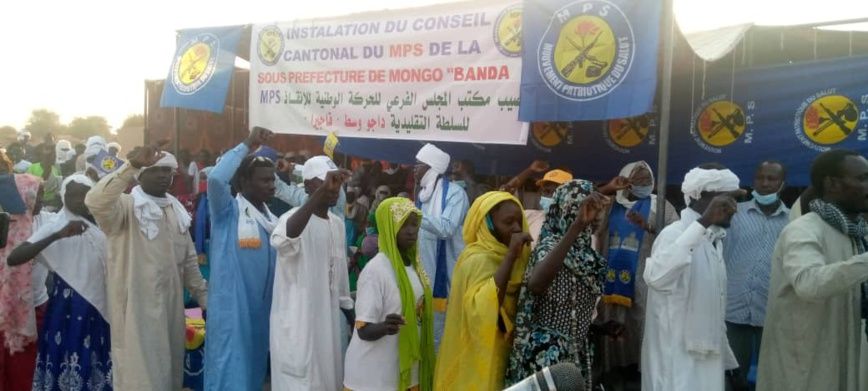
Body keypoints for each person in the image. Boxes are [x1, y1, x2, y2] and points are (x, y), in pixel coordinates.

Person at [85, 144, 208, 390]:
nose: (164, 175)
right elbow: (95, 201)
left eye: (167, 171)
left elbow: (189, 263)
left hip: (171, 309)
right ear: (141, 174)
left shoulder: (176, 210)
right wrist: (130, 166)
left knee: (169, 373)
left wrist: (206, 301)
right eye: (156, 170)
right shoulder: (126, 207)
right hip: (136, 312)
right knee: (141, 377)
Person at [757, 150, 868, 391]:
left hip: (844, 356)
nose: (867, 185)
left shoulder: (857, 234)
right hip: (805, 365)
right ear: (832, 183)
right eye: (862, 178)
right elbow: (809, 283)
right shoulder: (804, 230)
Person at [641, 164, 743, 391]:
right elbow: (657, 278)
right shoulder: (674, 234)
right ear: (702, 198)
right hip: (675, 366)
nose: (734, 209)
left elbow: (715, 311)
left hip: (708, 364)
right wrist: (703, 222)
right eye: (727, 202)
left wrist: (730, 365)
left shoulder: (713, 240)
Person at [7, 175, 112, 390]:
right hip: (68, 306)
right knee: (68, 353)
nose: (80, 200)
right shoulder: (56, 224)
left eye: (86, 195)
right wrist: (57, 236)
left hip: (101, 305)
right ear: (64, 197)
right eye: (73, 195)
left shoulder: (103, 225)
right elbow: (14, 257)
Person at [506, 180, 611, 389]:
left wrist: (600, 328)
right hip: (548, 355)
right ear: (568, 210)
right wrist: (576, 226)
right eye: (587, 209)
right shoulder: (550, 245)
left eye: (597, 210)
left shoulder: (589, 257)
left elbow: (575, 309)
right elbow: (536, 285)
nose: (596, 216)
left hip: (578, 354)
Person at [270, 156, 354, 390]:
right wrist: (319, 194)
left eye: (336, 181)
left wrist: (356, 325)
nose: (332, 188)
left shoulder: (336, 224)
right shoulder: (291, 219)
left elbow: (341, 287)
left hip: (328, 329)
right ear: (307, 186)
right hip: (298, 327)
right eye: (324, 182)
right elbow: (283, 240)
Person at [204, 128, 278, 390]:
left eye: (272, 180)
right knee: (230, 373)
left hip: (261, 311)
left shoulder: (274, 221)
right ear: (243, 183)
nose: (271, 185)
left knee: (253, 374)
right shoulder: (227, 211)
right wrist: (248, 144)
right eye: (264, 180)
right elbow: (215, 179)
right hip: (232, 311)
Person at [434, 191, 532, 391]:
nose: (515, 228)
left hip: (506, 352)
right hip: (480, 353)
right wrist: (511, 256)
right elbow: (482, 311)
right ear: (487, 224)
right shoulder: (477, 259)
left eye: (519, 221)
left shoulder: (519, 257)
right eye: (508, 222)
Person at [594, 161, 680, 386]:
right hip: (609, 279)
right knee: (612, 322)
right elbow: (589, 222)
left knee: (642, 324)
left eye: (646, 180)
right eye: (637, 179)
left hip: (643, 279)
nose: (642, 184)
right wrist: (610, 190)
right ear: (625, 179)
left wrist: (650, 227)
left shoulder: (659, 205)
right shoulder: (610, 204)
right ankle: (615, 372)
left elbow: (677, 239)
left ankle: (643, 374)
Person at [344, 197, 435, 391]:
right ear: (388, 227)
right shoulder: (376, 270)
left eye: (415, 225)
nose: (412, 231)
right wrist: (385, 327)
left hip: (403, 370)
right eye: (404, 225)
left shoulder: (415, 267)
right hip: (374, 377)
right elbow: (363, 330)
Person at [720, 160, 789, 391]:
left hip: (772, 310)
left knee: (772, 374)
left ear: (782, 184)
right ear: (752, 181)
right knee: (730, 374)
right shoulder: (732, 214)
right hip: (733, 307)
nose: (765, 183)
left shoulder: (793, 221)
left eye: (772, 179)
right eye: (760, 178)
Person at [413, 143, 470, 348]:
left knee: (442, 335)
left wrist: (415, 215)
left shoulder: (455, 194)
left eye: (418, 165)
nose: (414, 169)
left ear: (431, 167)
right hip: (423, 273)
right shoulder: (423, 195)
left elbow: (446, 228)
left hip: (446, 274)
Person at [0, 152, 44, 390]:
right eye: (37, 196)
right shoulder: (9, 219)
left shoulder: (45, 220)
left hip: (29, 305)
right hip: (11, 308)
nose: (40, 201)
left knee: (22, 368)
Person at [27, 143, 62, 212]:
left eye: (53, 155)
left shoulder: (56, 168)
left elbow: (58, 187)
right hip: (36, 203)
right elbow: (28, 187)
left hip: (52, 203)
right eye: (49, 155)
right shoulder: (32, 167)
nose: (52, 157)